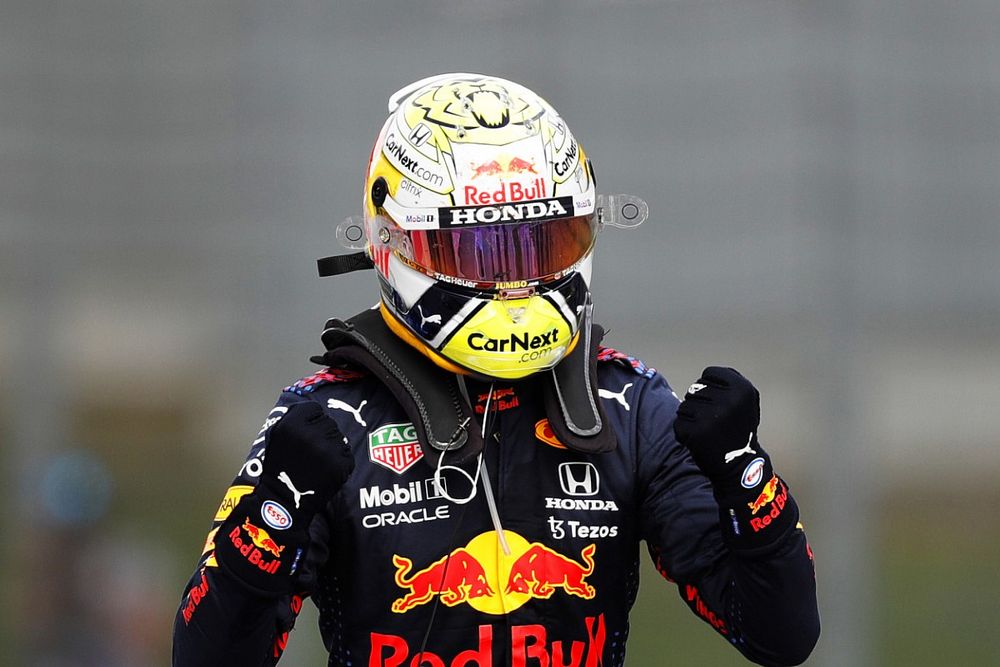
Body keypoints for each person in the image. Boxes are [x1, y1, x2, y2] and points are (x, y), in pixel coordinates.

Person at [172, 73, 819, 667]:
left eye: (542, 242)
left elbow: (782, 635)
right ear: (391, 240)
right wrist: (274, 511)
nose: (515, 280)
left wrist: (746, 472)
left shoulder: (628, 406)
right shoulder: (329, 420)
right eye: (479, 248)